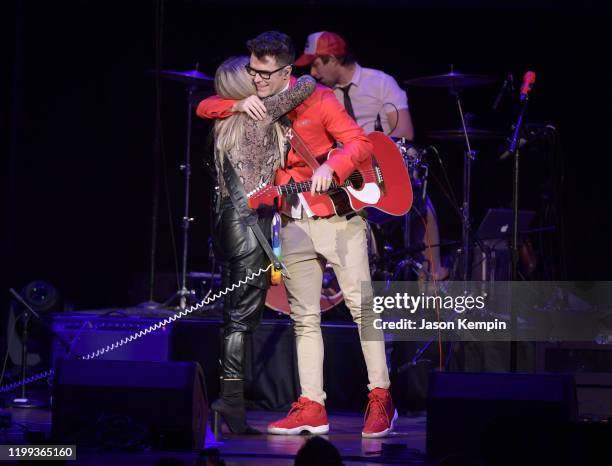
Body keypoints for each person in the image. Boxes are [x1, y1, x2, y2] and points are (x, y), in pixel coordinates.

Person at [198, 31, 397, 438]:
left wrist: (333, 167)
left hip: (337, 218)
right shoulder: (254, 103)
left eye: (266, 74)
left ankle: (381, 397)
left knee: (363, 310)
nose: (257, 80)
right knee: (304, 318)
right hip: (292, 220)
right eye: (253, 71)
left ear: (287, 71)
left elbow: (359, 142)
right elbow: (205, 106)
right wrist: (237, 101)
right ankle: (312, 405)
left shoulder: (318, 99)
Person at [198, 55, 316, 434]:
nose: (259, 80)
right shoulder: (257, 114)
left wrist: (229, 104)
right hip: (248, 226)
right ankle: (230, 405)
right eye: (252, 76)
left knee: (237, 315)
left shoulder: (225, 121)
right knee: (240, 319)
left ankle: (231, 405)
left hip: (229, 220)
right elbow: (307, 86)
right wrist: (286, 73)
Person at [295, 31, 448, 280]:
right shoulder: (321, 94)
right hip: (340, 172)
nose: (312, 72)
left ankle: (433, 274)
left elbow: (404, 132)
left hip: (381, 166)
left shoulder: (381, 83)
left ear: (332, 59)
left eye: (315, 64)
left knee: (421, 200)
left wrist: (372, 155)